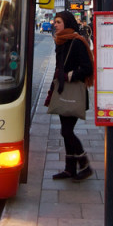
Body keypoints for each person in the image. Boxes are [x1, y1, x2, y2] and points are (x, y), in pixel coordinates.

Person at [45, 11, 95, 181]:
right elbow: (58, 68)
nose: (55, 24)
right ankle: (70, 169)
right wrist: (53, 88)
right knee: (66, 131)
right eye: (55, 22)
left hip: (73, 91)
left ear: (67, 23)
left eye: (58, 22)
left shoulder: (77, 41)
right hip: (62, 91)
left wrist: (68, 76)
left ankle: (84, 164)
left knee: (66, 131)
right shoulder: (60, 41)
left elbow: (88, 68)